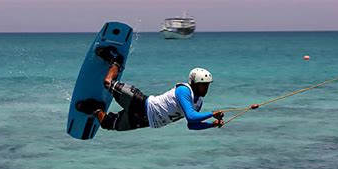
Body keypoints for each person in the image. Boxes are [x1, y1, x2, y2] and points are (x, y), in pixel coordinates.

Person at [77, 46, 259, 131]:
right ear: (195, 83)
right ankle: (115, 61)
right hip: (141, 103)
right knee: (107, 82)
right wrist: (212, 114)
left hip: (146, 121)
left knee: (108, 124)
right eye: (203, 85)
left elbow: (192, 125)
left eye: (208, 85)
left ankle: (95, 108)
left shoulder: (199, 103)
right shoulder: (183, 91)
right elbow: (191, 116)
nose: (206, 88)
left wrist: (211, 124)